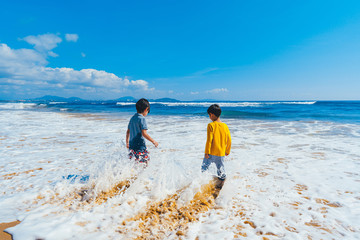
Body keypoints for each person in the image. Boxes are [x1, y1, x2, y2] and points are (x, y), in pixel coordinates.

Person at [201, 104, 231, 180]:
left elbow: (209, 140)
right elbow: (229, 139)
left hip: (211, 152)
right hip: (221, 153)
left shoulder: (211, 125)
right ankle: (221, 183)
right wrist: (227, 150)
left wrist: (206, 152)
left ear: (212, 114)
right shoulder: (225, 126)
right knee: (221, 170)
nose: (209, 117)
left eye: (209, 115)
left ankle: (203, 183)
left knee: (204, 168)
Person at [126, 98, 158, 165]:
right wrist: (153, 141)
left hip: (132, 147)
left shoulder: (132, 118)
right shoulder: (142, 119)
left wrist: (127, 143)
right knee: (146, 163)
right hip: (140, 146)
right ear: (146, 109)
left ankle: (134, 175)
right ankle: (143, 175)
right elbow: (144, 134)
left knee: (134, 163)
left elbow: (128, 131)